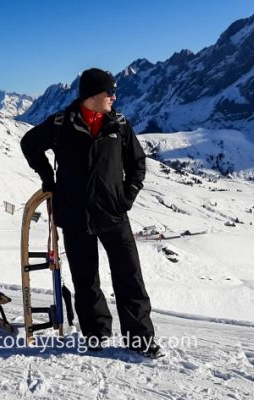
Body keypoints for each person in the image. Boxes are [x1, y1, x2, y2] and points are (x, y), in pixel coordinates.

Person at [21, 68, 162, 358]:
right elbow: (30, 143)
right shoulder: (62, 123)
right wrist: (48, 180)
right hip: (75, 214)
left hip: (113, 214)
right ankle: (96, 334)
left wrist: (127, 196)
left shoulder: (119, 124)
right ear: (91, 95)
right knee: (85, 280)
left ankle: (140, 340)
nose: (114, 96)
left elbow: (137, 163)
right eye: (109, 91)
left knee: (130, 277)